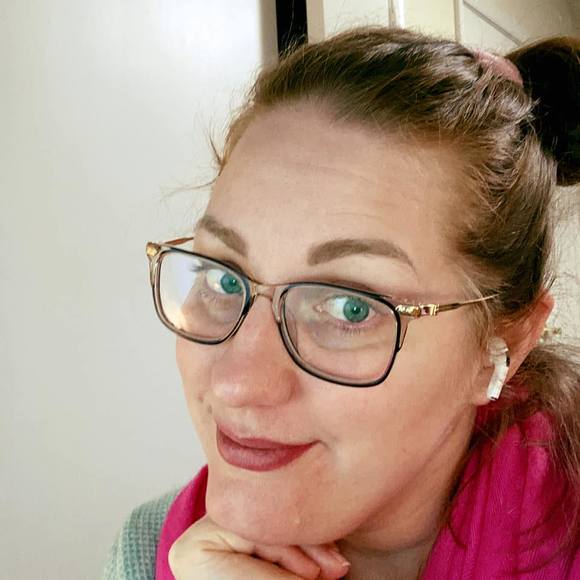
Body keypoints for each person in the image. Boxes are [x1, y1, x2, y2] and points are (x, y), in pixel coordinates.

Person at [103, 26, 580, 580]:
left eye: (350, 308)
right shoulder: (145, 550)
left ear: (505, 345)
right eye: (224, 280)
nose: (236, 383)